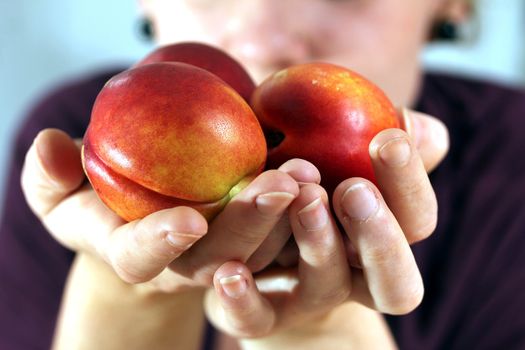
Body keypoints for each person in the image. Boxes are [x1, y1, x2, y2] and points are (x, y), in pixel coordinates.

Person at [1, 0, 524, 349]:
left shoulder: (513, 165)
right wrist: (127, 291)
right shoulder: (74, 148)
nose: (262, 40)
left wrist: (323, 330)